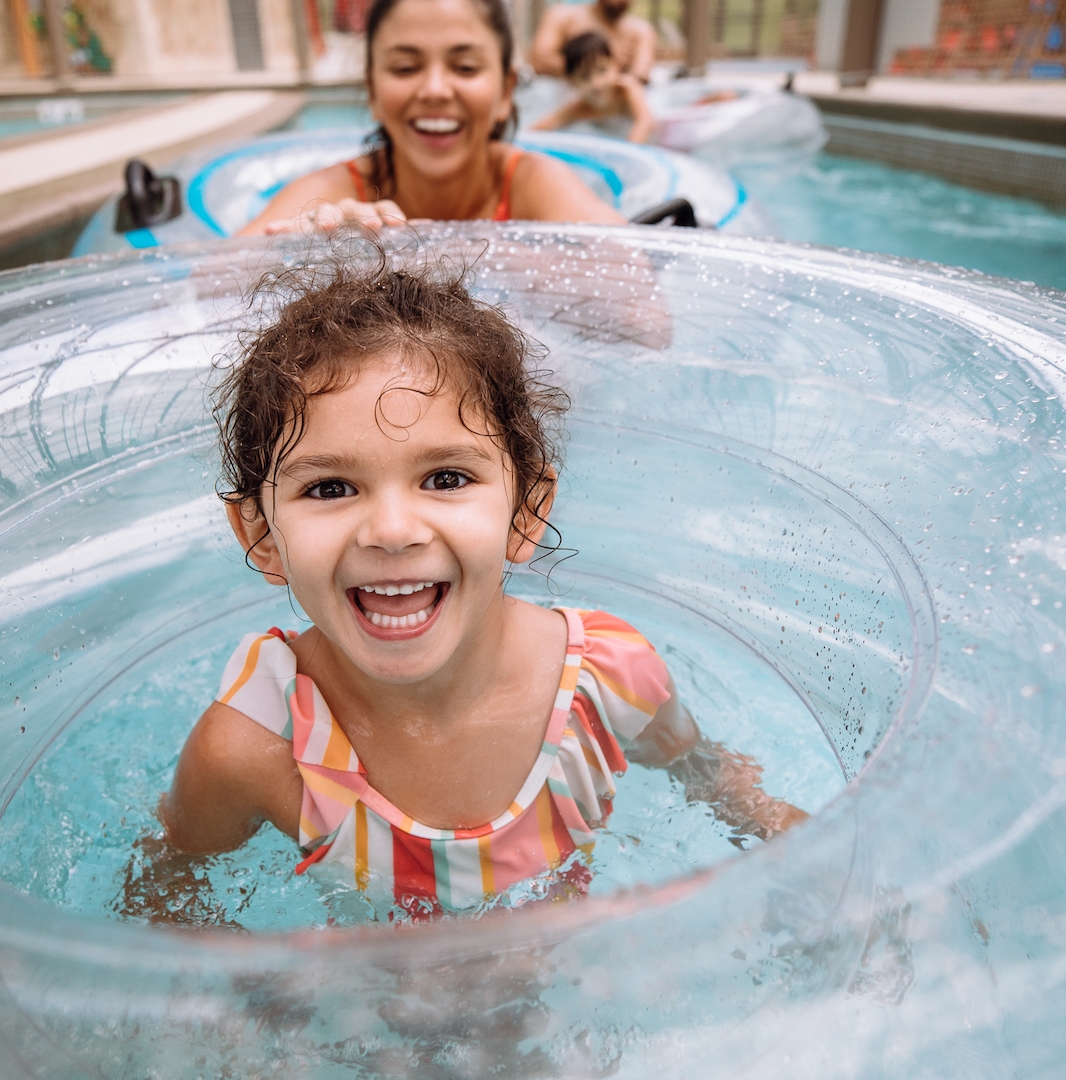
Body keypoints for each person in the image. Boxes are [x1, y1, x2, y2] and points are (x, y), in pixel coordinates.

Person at [158, 239, 806, 917]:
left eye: (446, 478)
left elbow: (716, 781)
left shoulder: (609, 682)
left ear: (525, 512)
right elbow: (169, 901)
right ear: (261, 536)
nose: (392, 530)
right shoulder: (255, 748)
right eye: (329, 488)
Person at [236, 0, 623, 236]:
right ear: (373, 92)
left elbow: (643, 306)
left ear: (506, 93)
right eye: (405, 68)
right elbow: (211, 291)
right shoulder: (335, 193)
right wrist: (314, 255)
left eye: (465, 67)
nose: (435, 90)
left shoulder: (533, 185)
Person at [530, 31, 654, 144]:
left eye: (602, 70)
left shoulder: (627, 90)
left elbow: (645, 121)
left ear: (616, 65)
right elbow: (535, 132)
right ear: (572, 82)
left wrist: (627, 152)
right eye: (585, 77)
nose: (596, 83)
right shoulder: (580, 109)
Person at [531, 0, 656, 85]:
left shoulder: (641, 31)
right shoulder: (563, 17)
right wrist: (596, 64)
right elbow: (539, 61)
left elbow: (640, 76)